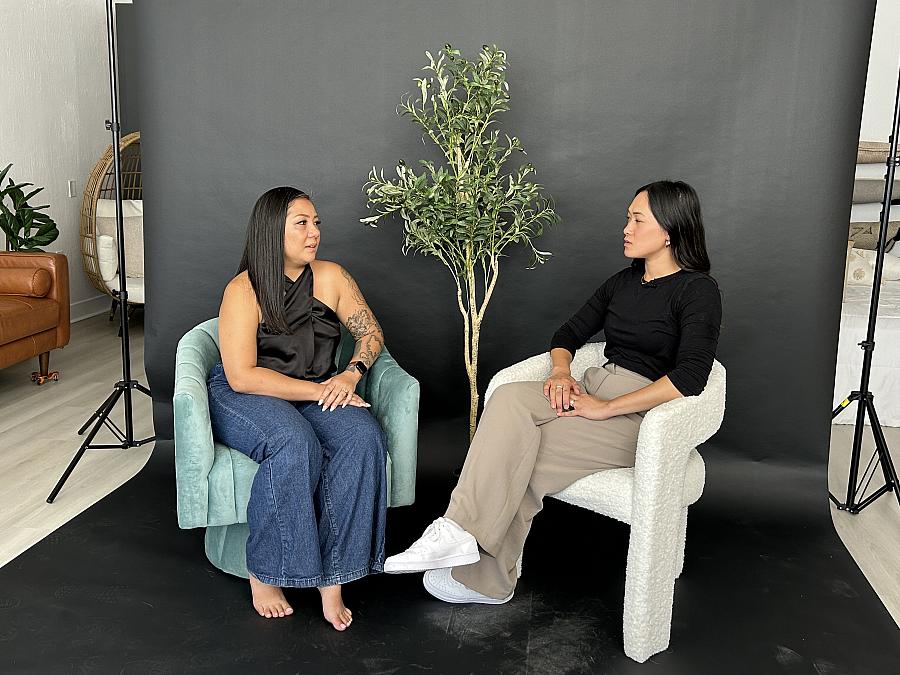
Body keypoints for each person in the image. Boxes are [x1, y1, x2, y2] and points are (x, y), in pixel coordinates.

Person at [384, 180, 723, 604]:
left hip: (642, 416)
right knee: (507, 399)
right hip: (592, 387)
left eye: (637, 219)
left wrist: (606, 408)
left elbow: (691, 377)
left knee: (531, 453)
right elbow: (568, 333)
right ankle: (456, 530)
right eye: (627, 218)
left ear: (670, 229)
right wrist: (562, 373)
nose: (626, 228)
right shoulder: (622, 282)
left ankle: (488, 580)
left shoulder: (698, 291)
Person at [207, 187, 387, 629]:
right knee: (293, 441)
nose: (315, 233)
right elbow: (241, 375)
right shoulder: (242, 289)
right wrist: (318, 392)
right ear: (272, 232)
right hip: (249, 395)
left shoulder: (332, 277)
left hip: (317, 388)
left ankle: (334, 577)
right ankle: (265, 571)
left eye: (317, 223)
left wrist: (349, 376)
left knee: (363, 437)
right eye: (302, 223)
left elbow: (371, 334)